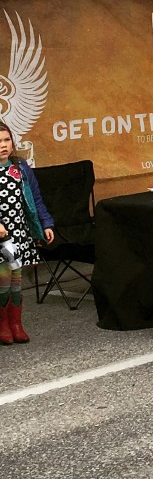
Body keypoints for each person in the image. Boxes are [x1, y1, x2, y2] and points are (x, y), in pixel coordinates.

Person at [0, 120, 55, 345]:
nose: (3, 145)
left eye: (6, 140)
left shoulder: (20, 167)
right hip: (1, 236)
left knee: (16, 280)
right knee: (3, 280)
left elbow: (36, 198)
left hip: (19, 233)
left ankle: (16, 324)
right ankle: (3, 325)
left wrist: (46, 223)